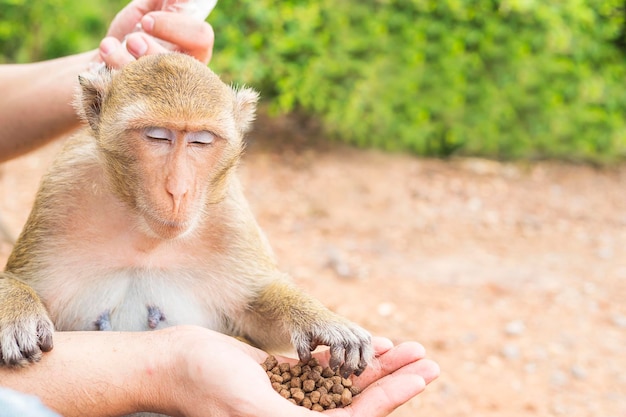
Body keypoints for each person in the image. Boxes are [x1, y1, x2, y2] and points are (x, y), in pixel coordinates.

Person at [0, 1, 440, 416]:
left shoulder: (224, 204)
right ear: (94, 110)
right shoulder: (73, 187)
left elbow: (259, 300)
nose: (178, 186)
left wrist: (311, 318)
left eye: (203, 142)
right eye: (154, 138)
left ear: (238, 126)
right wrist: (13, 300)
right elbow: (17, 286)